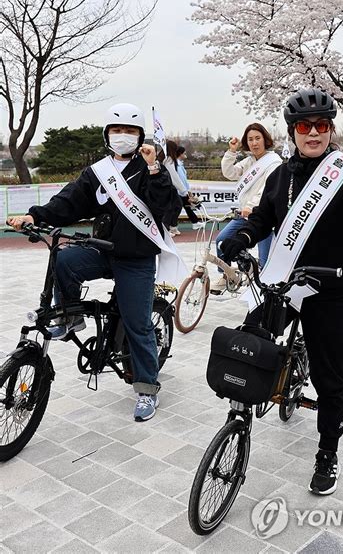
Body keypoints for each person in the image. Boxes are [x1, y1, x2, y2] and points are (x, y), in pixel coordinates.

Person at [219, 88, 343, 495]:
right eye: (305, 126)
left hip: (330, 289)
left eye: (321, 126)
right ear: (293, 131)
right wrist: (242, 237)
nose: (313, 133)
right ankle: (238, 420)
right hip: (285, 282)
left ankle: (327, 453)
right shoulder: (282, 174)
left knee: (329, 376)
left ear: (330, 129)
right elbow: (264, 217)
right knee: (249, 346)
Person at [7, 103, 173, 422]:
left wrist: (155, 170)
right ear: (106, 134)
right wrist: (34, 215)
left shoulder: (150, 170)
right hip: (102, 247)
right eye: (116, 130)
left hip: (136, 258)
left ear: (140, 137)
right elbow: (69, 201)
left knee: (138, 323)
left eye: (130, 131)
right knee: (64, 259)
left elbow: (164, 206)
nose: (122, 136)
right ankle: (70, 317)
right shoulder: (98, 171)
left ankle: (147, 389)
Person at [211, 123, 282, 293]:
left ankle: (265, 297)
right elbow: (230, 173)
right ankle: (227, 275)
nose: (254, 143)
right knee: (222, 241)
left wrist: (250, 206)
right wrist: (231, 152)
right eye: (250, 139)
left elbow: (267, 189)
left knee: (265, 263)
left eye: (257, 138)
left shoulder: (274, 162)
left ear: (265, 140)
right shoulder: (249, 161)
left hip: (265, 218)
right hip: (245, 216)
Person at [161, 140, 195, 236]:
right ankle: (166, 229)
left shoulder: (166, 159)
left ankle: (172, 227)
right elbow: (174, 176)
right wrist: (184, 190)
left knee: (177, 206)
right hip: (168, 188)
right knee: (170, 209)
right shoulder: (168, 160)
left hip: (169, 188)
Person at [176, 145, 201, 230]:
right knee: (178, 209)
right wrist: (186, 191)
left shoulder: (179, 164)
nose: (186, 154)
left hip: (182, 191)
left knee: (186, 207)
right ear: (180, 154)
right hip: (180, 191)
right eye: (184, 153)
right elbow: (182, 180)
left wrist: (187, 190)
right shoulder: (178, 165)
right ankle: (171, 226)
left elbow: (183, 180)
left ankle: (195, 222)